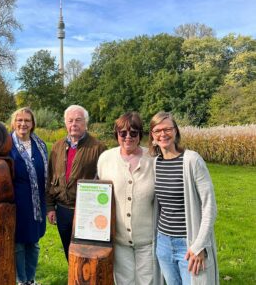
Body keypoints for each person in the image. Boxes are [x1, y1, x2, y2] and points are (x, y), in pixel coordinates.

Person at [149, 111, 219, 285]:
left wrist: (199, 245)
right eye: (157, 130)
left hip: (188, 244)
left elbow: (209, 206)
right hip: (163, 243)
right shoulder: (156, 163)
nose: (163, 134)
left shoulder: (192, 160)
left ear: (176, 132)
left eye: (167, 129)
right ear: (152, 135)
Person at [97, 112, 155, 285]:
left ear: (140, 135)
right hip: (119, 238)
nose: (128, 137)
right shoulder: (106, 158)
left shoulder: (154, 159)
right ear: (117, 134)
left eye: (133, 133)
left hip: (148, 239)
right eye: (123, 133)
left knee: (148, 281)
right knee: (124, 281)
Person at [46, 105, 106, 260]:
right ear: (65, 123)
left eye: (78, 120)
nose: (74, 124)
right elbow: (50, 177)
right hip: (63, 210)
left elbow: (104, 181)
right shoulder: (57, 147)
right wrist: (50, 207)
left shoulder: (98, 147)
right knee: (69, 251)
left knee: (86, 252)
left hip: (86, 211)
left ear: (85, 122)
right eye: (70, 120)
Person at [10, 107, 48, 285]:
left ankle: (30, 279)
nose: (23, 124)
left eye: (27, 120)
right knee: (18, 244)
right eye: (19, 120)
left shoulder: (40, 145)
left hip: (37, 203)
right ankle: (20, 280)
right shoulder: (7, 145)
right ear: (14, 122)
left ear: (33, 124)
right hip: (17, 203)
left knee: (34, 243)